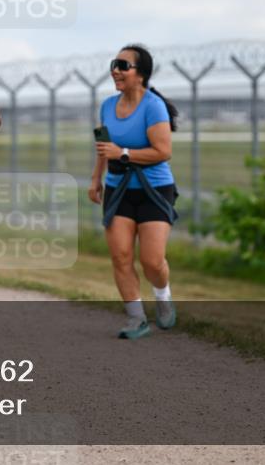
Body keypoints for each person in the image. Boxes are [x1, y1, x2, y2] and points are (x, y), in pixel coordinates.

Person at [89, 44, 180, 340]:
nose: (115, 70)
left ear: (140, 75)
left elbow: (163, 151)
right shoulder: (106, 106)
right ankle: (136, 318)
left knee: (152, 261)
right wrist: (96, 179)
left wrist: (124, 152)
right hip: (118, 190)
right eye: (113, 64)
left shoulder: (153, 106)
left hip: (154, 190)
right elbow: (104, 147)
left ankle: (162, 295)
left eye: (122, 65)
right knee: (121, 257)